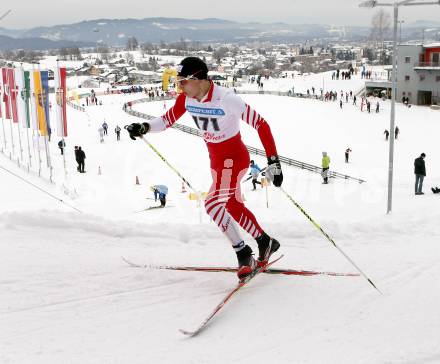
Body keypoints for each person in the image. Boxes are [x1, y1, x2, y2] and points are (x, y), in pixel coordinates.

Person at [126, 56, 283, 280]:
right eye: (178, 81)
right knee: (231, 205)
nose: (179, 86)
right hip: (217, 162)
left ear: (198, 78)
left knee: (212, 203)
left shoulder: (226, 99)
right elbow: (167, 120)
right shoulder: (187, 99)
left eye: (183, 81)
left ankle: (243, 252)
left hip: (234, 159)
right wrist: (144, 126)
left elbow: (261, 124)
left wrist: (273, 161)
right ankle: (265, 241)